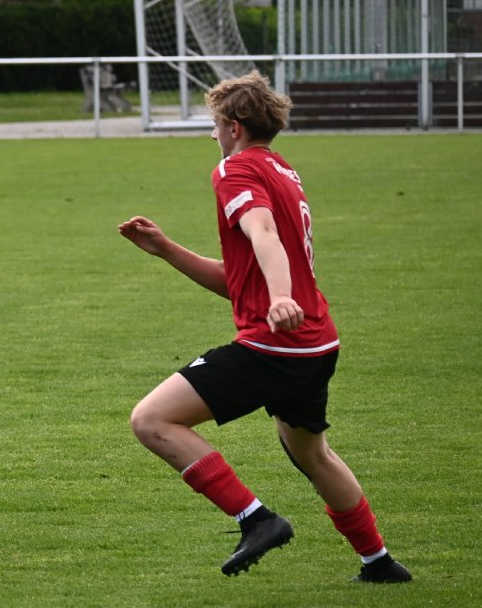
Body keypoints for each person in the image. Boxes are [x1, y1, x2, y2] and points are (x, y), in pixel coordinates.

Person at [118, 71, 410, 582]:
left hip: (275, 346)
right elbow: (240, 281)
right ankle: (379, 562)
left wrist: (279, 297)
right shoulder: (282, 170)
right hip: (315, 342)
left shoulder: (234, 170)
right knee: (313, 454)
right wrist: (166, 250)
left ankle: (256, 519)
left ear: (234, 127)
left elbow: (263, 232)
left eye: (214, 125)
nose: (212, 135)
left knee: (152, 420)